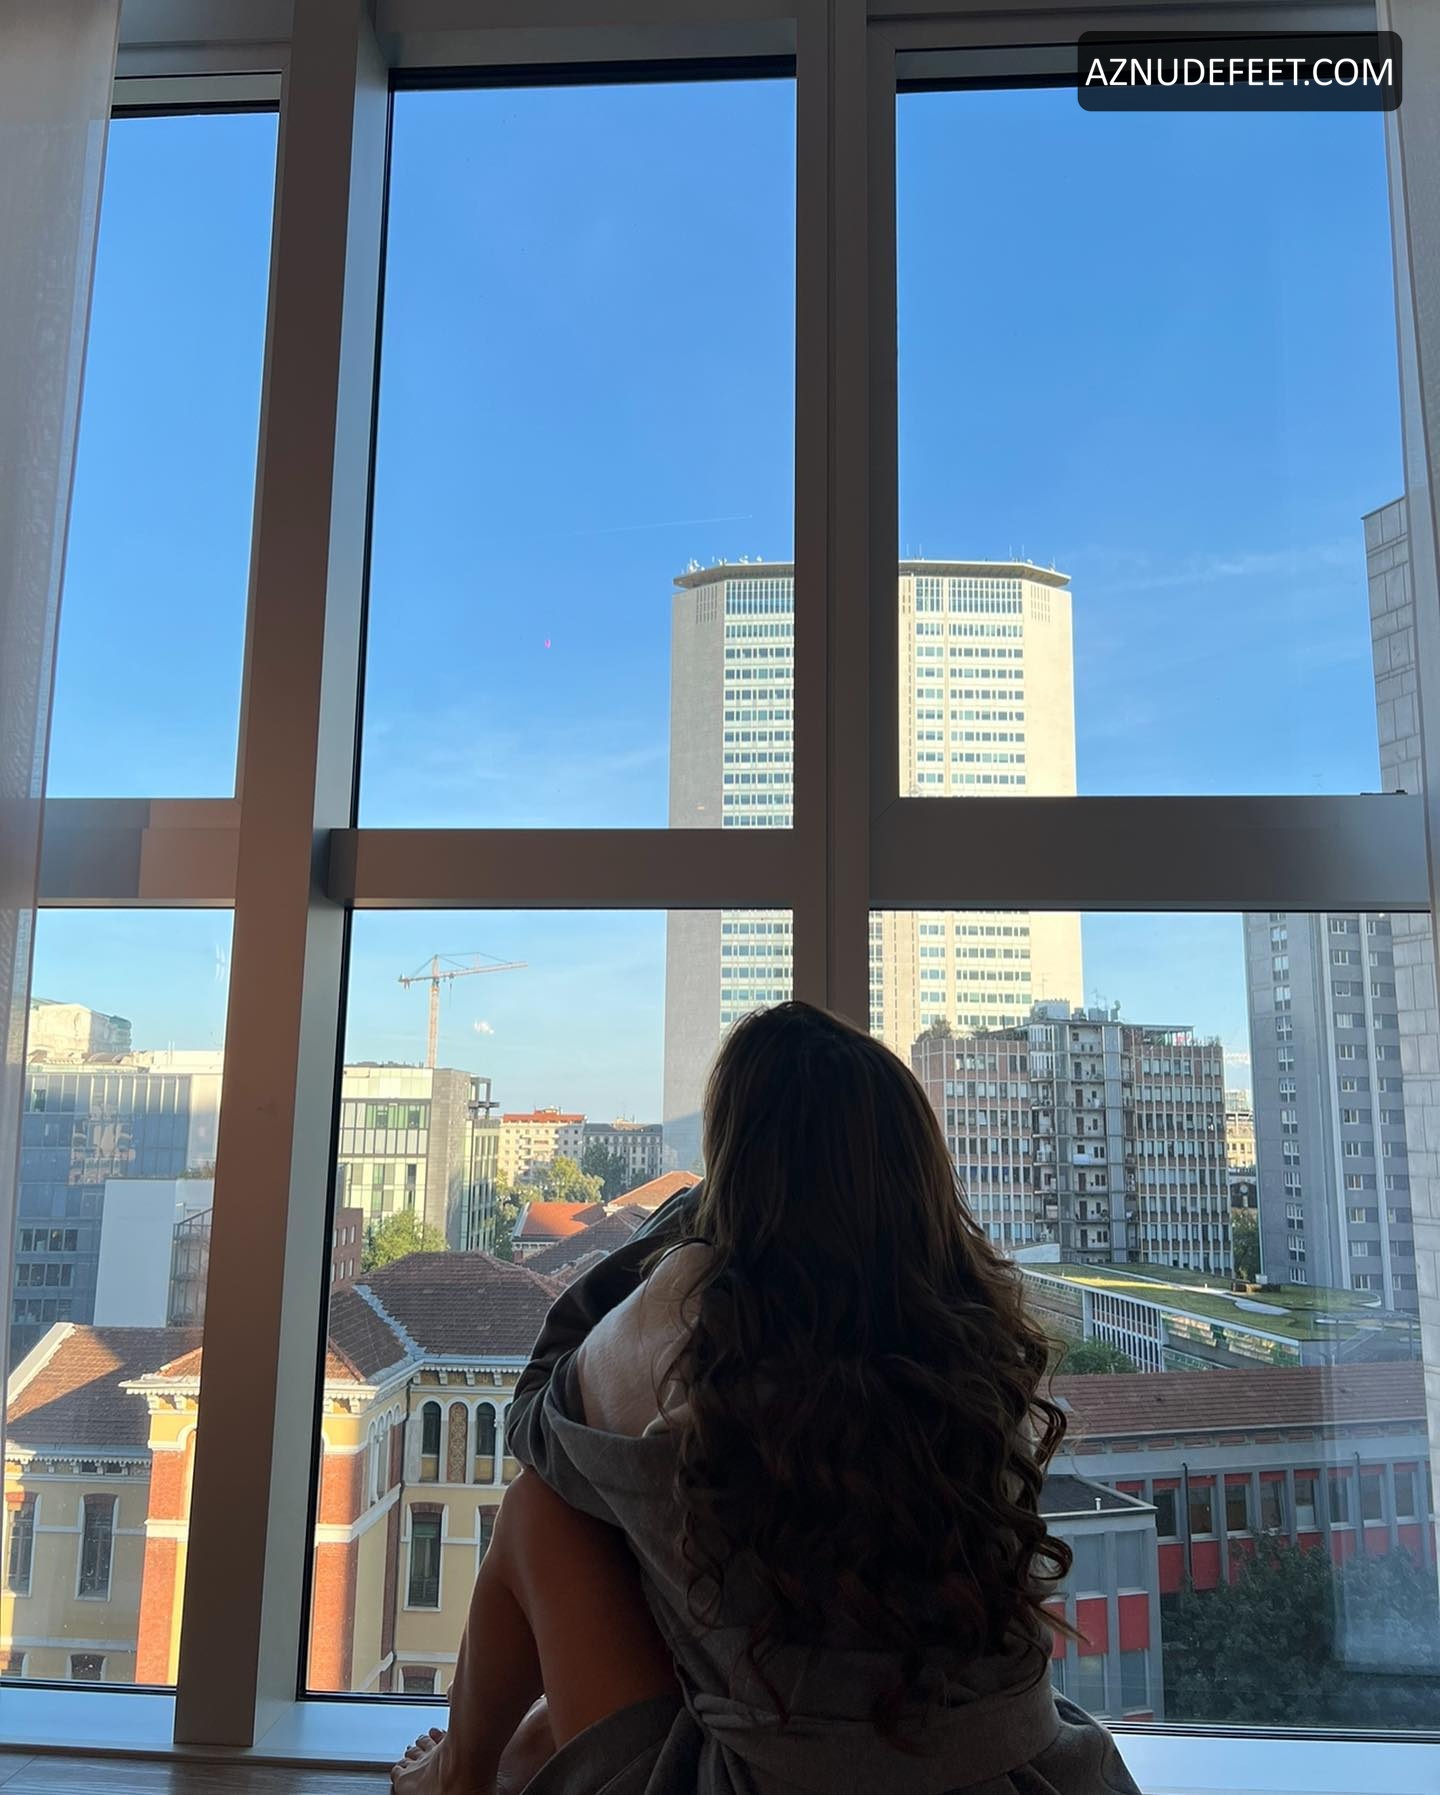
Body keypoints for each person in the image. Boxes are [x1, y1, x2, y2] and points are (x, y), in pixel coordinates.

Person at [393, 1000, 1141, 1795]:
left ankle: (458, 1776)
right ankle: (526, 1750)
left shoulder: (701, 1320)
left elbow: (537, 1418)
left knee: (543, 1506)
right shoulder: (972, 1335)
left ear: (736, 1164)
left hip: (778, 1780)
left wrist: (690, 1217)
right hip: (1017, 1763)